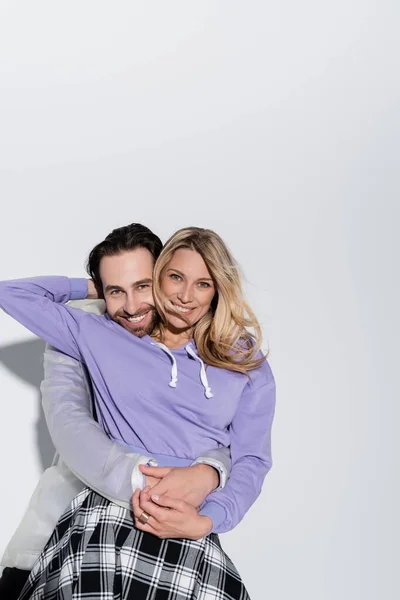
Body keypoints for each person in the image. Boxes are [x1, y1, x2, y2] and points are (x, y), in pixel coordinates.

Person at [0, 225, 276, 599]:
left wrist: (208, 519)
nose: (184, 295)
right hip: (114, 512)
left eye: (203, 284)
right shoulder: (100, 334)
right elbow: (11, 293)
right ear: (162, 275)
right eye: (175, 278)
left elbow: (252, 459)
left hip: (187, 521)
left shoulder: (245, 361)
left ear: (218, 290)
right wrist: (99, 286)